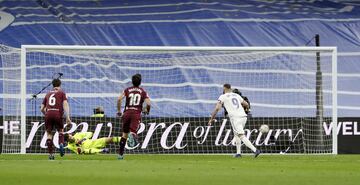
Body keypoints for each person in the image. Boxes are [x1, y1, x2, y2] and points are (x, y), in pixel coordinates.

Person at [208, 84, 260, 158]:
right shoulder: (236, 95)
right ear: (230, 88)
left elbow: (217, 108)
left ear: (224, 88)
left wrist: (211, 118)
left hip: (235, 118)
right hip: (243, 117)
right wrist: (246, 109)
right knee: (237, 134)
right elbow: (246, 104)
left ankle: (255, 150)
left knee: (241, 135)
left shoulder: (222, 96)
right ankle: (238, 153)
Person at [117, 74, 151, 160]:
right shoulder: (143, 91)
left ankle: (120, 155)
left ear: (132, 82)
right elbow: (148, 103)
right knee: (133, 131)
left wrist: (119, 111)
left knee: (124, 134)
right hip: (136, 113)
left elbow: (119, 99)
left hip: (127, 113)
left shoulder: (127, 90)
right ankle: (133, 134)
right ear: (140, 82)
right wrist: (147, 110)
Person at [40, 79, 71, 160]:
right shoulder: (62, 93)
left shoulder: (48, 94)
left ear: (52, 85)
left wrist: (45, 114)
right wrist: (67, 117)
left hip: (48, 113)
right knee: (60, 130)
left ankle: (50, 155)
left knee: (49, 134)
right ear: (60, 85)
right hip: (57, 113)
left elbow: (42, 108)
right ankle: (61, 143)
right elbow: (65, 104)